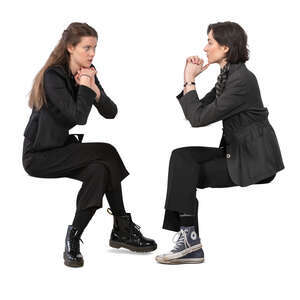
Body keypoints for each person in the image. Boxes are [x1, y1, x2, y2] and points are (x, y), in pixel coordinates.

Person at [22, 22, 157, 268]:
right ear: (71, 48)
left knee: (99, 170)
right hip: (39, 156)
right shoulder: (54, 75)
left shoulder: (88, 71)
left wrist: (94, 89)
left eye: (94, 47)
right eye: (87, 47)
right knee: (107, 151)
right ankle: (122, 227)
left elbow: (111, 112)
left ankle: (74, 238)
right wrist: (85, 84)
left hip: (62, 149)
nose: (92, 53)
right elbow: (77, 116)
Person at [155, 21, 285, 264]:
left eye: (210, 42)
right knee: (182, 157)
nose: (205, 48)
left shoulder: (241, 81)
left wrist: (189, 79)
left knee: (185, 170)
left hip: (255, 161)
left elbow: (198, 119)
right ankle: (189, 240)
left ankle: (190, 242)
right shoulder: (228, 76)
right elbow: (198, 109)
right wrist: (190, 81)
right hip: (238, 152)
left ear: (225, 47)